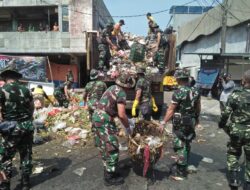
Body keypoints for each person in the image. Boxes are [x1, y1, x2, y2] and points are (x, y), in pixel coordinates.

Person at [91, 74, 135, 186]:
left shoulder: (111, 88)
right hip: (104, 119)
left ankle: (109, 169)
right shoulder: (121, 92)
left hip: (97, 116)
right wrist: (128, 127)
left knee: (103, 145)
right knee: (112, 147)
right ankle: (109, 178)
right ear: (127, 86)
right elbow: (121, 114)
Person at [159, 69, 201, 179]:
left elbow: (171, 110)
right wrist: (196, 119)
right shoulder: (196, 90)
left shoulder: (178, 92)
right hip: (191, 120)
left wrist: (163, 122)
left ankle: (180, 169)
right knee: (187, 141)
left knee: (179, 144)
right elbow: (198, 107)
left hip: (181, 122)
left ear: (178, 79)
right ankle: (184, 162)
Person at [0, 67, 34, 190]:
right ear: (16, 76)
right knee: (26, 154)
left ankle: (5, 184)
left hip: (11, 128)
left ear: (5, 77)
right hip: (27, 126)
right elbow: (32, 107)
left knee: (6, 157)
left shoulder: (2, 90)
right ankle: (26, 183)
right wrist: (27, 119)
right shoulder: (26, 90)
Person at [218, 70, 250, 190]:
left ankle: (234, 179)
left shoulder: (236, 94)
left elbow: (226, 113)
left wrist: (221, 124)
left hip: (236, 131)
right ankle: (248, 183)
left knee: (233, 153)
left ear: (243, 81)